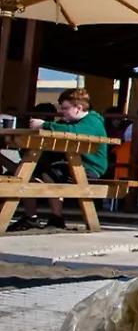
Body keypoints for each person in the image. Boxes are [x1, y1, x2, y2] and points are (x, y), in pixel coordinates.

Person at [10, 88, 109, 231]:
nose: (62, 112)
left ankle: (57, 218)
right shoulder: (70, 121)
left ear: (78, 108)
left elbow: (72, 132)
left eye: (65, 108)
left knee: (50, 174)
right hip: (69, 163)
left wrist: (44, 125)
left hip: (87, 168)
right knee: (27, 171)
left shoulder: (92, 122)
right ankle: (31, 217)